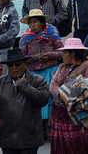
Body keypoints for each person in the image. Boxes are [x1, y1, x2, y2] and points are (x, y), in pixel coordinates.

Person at [0, 48, 51, 153]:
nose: (14, 68)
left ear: (25, 64)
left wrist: (24, 86)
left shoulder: (38, 81)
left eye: (18, 64)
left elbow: (43, 100)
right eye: (10, 65)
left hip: (30, 141)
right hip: (8, 141)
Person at [20, 9, 64, 141]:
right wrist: (34, 58)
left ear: (42, 23)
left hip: (51, 72)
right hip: (33, 74)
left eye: (35, 22)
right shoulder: (25, 38)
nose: (32, 25)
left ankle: (51, 129)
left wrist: (50, 55)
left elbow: (63, 53)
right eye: (30, 23)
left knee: (51, 102)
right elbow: (21, 58)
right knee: (34, 101)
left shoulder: (52, 34)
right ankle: (39, 130)